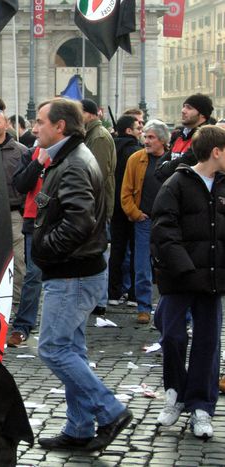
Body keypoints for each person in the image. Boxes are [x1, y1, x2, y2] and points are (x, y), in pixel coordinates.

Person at [32, 98, 132, 451]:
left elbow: (78, 222)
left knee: (53, 348)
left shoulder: (73, 162)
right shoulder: (68, 156)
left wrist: (43, 249)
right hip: (75, 270)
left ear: (60, 126)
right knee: (70, 348)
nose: (34, 126)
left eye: (40, 121)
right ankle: (79, 427)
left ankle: (110, 410)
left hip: (73, 272)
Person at [150, 125, 225, 439]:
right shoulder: (177, 183)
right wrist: (186, 268)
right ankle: (175, 393)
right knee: (173, 337)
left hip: (213, 278)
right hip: (180, 277)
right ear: (216, 152)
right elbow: (164, 230)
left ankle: (201, 407)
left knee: (208, 343)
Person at [121, 120, 170, 324]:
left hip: (168, 222)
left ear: (163, 141)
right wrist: (135, 213)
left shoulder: (172, 160)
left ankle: (175, 309)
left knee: (170, 265)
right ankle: (143, 307)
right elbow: (126, 192)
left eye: (151, 137)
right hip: (144, 221)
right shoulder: (136, 159)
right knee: (141, 265)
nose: (146, 140)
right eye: (146, 136)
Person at [0, 109, 28, 338]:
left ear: (6, 124)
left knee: (19, 263)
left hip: (13, 214)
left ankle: (13, 309)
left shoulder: (21, 151)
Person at [7, 145, 48, 347]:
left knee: (61, 277)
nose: (36, 128)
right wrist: (38, 162)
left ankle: (57, 329)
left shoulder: (73, 152)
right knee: (33, 274)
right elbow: (21, 184)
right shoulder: (31, 153)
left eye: (41, 123)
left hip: (62, 220)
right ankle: (23, 325)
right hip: (34, 220)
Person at [82, 98, 117, 316]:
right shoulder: (91, 135)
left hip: (99, 205)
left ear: (91, 114)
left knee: (100, 254)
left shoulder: (99, 137)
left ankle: (99, 300)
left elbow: (98, 173)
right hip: (94, 204)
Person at [108, 115, 143, 307]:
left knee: (117, 250)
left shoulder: (111, 147)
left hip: (115, 206)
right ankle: (133, 294)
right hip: (132, 206)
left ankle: (113, 293)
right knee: (136, 251)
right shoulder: (137, 152)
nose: (140, 131)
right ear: (129, 131)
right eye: (138, 128)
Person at [156, 93, 213, 182]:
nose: (183, 110)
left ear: (202, 114)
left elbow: (186, 162)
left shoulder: (206, 138)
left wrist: (166, 168)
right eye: (184, 107)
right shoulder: (179, 135)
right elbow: (158, 167)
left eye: (189, 108)